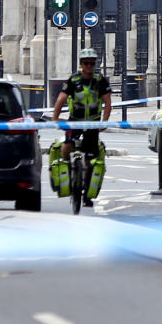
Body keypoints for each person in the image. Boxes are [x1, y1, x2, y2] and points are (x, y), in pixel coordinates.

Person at [51, 48, 112, 207]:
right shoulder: (73, 80)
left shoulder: (100, 80)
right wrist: (55, 118)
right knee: (66, 147)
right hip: (75, 122)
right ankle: (68, 173)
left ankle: (86, 194)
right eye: (86, 63)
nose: (89, 66)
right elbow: (61, 99)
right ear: (81, 64)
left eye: (92, 63)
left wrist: (104, 122)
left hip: (92, 123)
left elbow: (108, 103)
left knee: (91, 159)